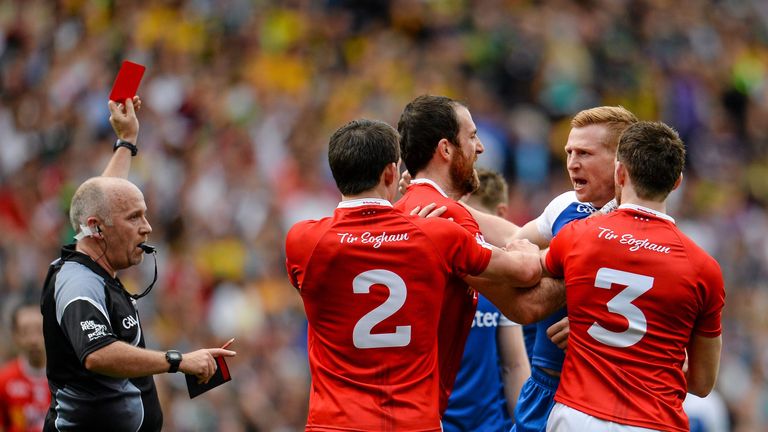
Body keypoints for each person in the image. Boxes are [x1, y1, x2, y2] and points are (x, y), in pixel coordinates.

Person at [285, 118, 562, 431]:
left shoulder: (303, 240)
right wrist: (522, 245)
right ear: (391, 172)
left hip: (333, 422)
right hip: (414, 421)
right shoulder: (435, 236)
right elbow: (526, 272)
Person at [40, 97, 236, 431]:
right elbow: (97, 354)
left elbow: (102, 199)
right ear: (98, 229)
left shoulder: (92, 252)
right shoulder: (78, 282)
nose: (147, 227)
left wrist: (127, 140)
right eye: (135, 218)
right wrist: (177, 361)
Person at [462, 106, 638, 432]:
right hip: (543, 385)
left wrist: (602, 323)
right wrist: (446, 207)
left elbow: (667, 309)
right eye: (569, 152)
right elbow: (514, 243)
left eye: (585, 153)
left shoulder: (639, 226)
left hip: (599, 395)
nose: (572, 163)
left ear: (620, 162)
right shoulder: (565, 205)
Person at [543, 121, 724, 431]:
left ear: (620, 173)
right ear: (677, 182)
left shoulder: (579, 235)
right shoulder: (703, 268)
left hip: (577, 415)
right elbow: (702, 383)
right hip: (654, 421)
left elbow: (527, 274)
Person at [442, 168, 530, 432]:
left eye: (474, 224)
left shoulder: (503, 282)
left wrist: (525, 426)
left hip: (490, 426)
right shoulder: (439, 273)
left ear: (499, 216)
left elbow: (514, 365)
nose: (466, 234)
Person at [0, 302, 49, 432]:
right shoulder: (4, 380)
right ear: (15, 335)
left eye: (39, 330)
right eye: (25, 331)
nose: (33, 340)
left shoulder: (66, 379)